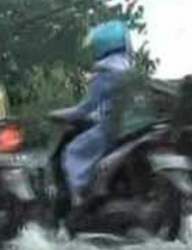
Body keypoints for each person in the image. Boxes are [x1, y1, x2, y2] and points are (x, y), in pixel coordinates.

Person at [49, 20, 134, 212]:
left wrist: (55, 114)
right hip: (128, 127)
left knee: (71, 153)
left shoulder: (104, 70)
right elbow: (111, 104)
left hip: (110, 130)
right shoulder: (128, 68)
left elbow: (84, 109)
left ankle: (77, 200)